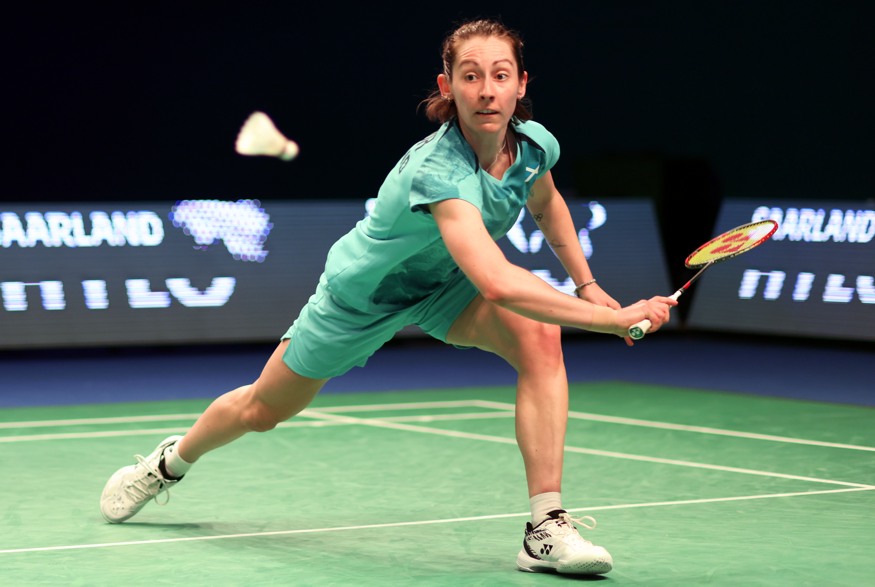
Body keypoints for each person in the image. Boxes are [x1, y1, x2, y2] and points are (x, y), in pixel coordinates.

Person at [99, 18, 676, 576]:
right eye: (471, 76)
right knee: (263, 410)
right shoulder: (438, 170)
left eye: (501, 75)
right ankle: (169, 463)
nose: (487, 90)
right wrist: (607, 320)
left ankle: (545, 526)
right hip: (364, 295)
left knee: (539, 335)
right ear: (448, 87)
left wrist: (587, 284)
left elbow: (546, 203)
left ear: (521, 84)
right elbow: (498, 281)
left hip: (444, 284)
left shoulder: (533, 145)